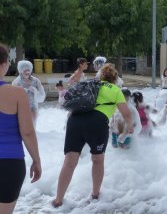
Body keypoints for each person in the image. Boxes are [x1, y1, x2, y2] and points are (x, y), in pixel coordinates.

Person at [52, 63, 134, 207]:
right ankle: (95, 194)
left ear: (100, 76)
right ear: (115, 79)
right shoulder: (115, 89)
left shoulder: (89, 84)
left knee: (69, 162)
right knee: (97, 159)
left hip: (75, 120)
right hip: (97, 122)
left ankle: (58, 200)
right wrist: (130, 127)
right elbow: (126, 113)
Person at [0, 44, 41, 214]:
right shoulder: (16, 93)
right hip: (9, 162)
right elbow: (27, 132)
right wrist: (36, 160)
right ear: (3, 65)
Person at [12, 60, 46, 127]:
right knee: (22, 127)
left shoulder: (36, 81)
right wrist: (21, 91)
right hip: (21, 108)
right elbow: (12, 99)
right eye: (25, 70)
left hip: (33, 107)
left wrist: (36, 92)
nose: (27, 72)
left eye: (29, 70)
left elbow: (42, 97)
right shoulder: (16, 82)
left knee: (33, 127)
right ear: (20, 71)